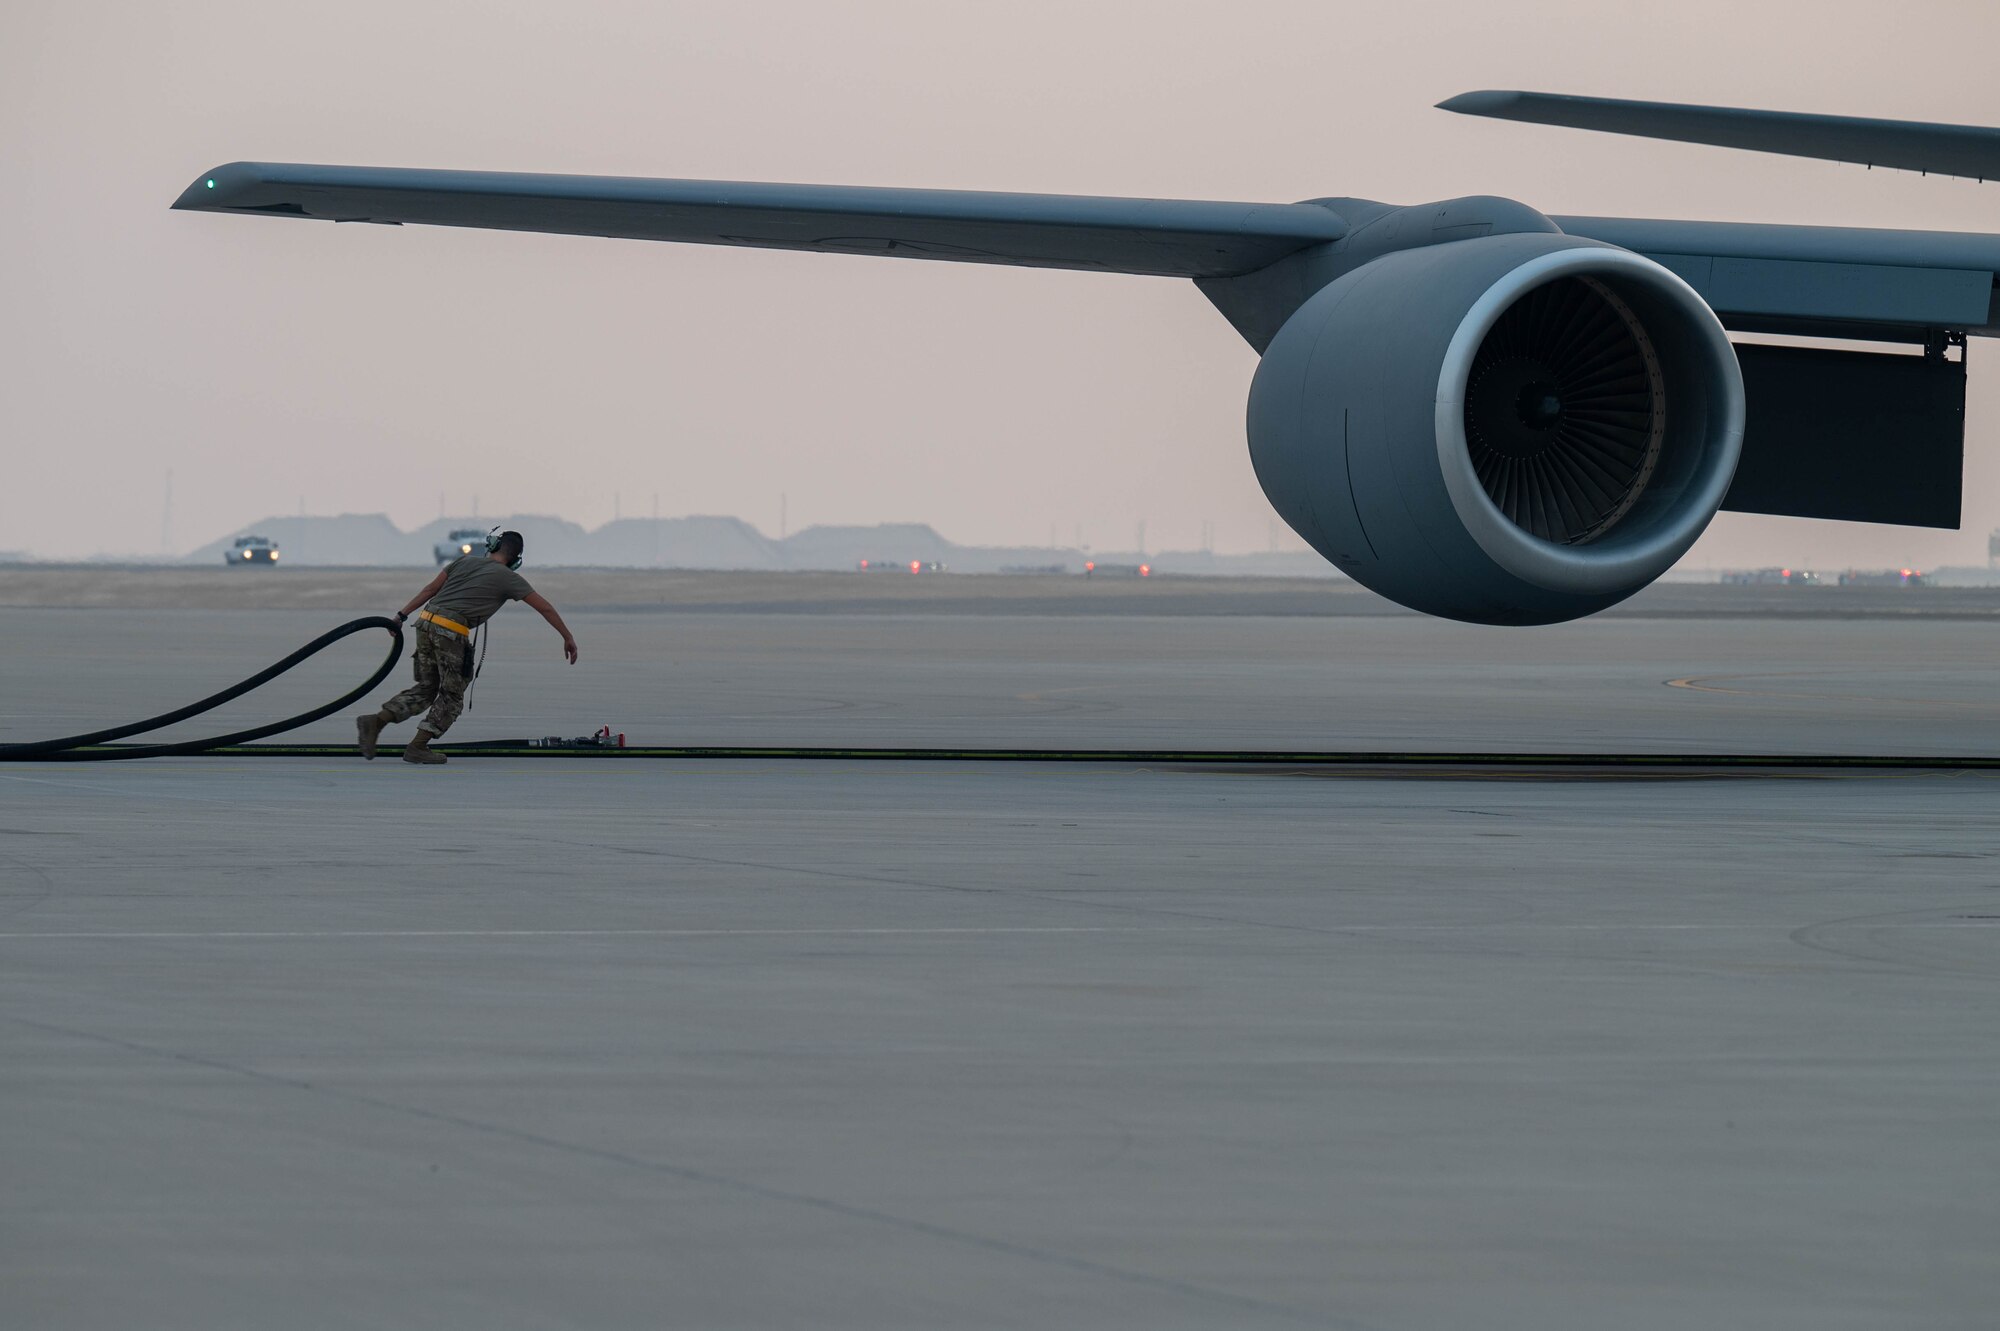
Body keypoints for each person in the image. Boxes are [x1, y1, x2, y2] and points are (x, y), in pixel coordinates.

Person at [356, 530, 578, 765]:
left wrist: (400, 616)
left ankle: (376, 722)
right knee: (452, 696)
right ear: (516, 560)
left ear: (492, 546)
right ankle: (417, 747)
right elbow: (545, 608)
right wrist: (567, 637)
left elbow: (430, 590)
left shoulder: (463, 561)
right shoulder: (509, 578)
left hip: (425, 624)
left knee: (427, 688)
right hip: (450, 632)